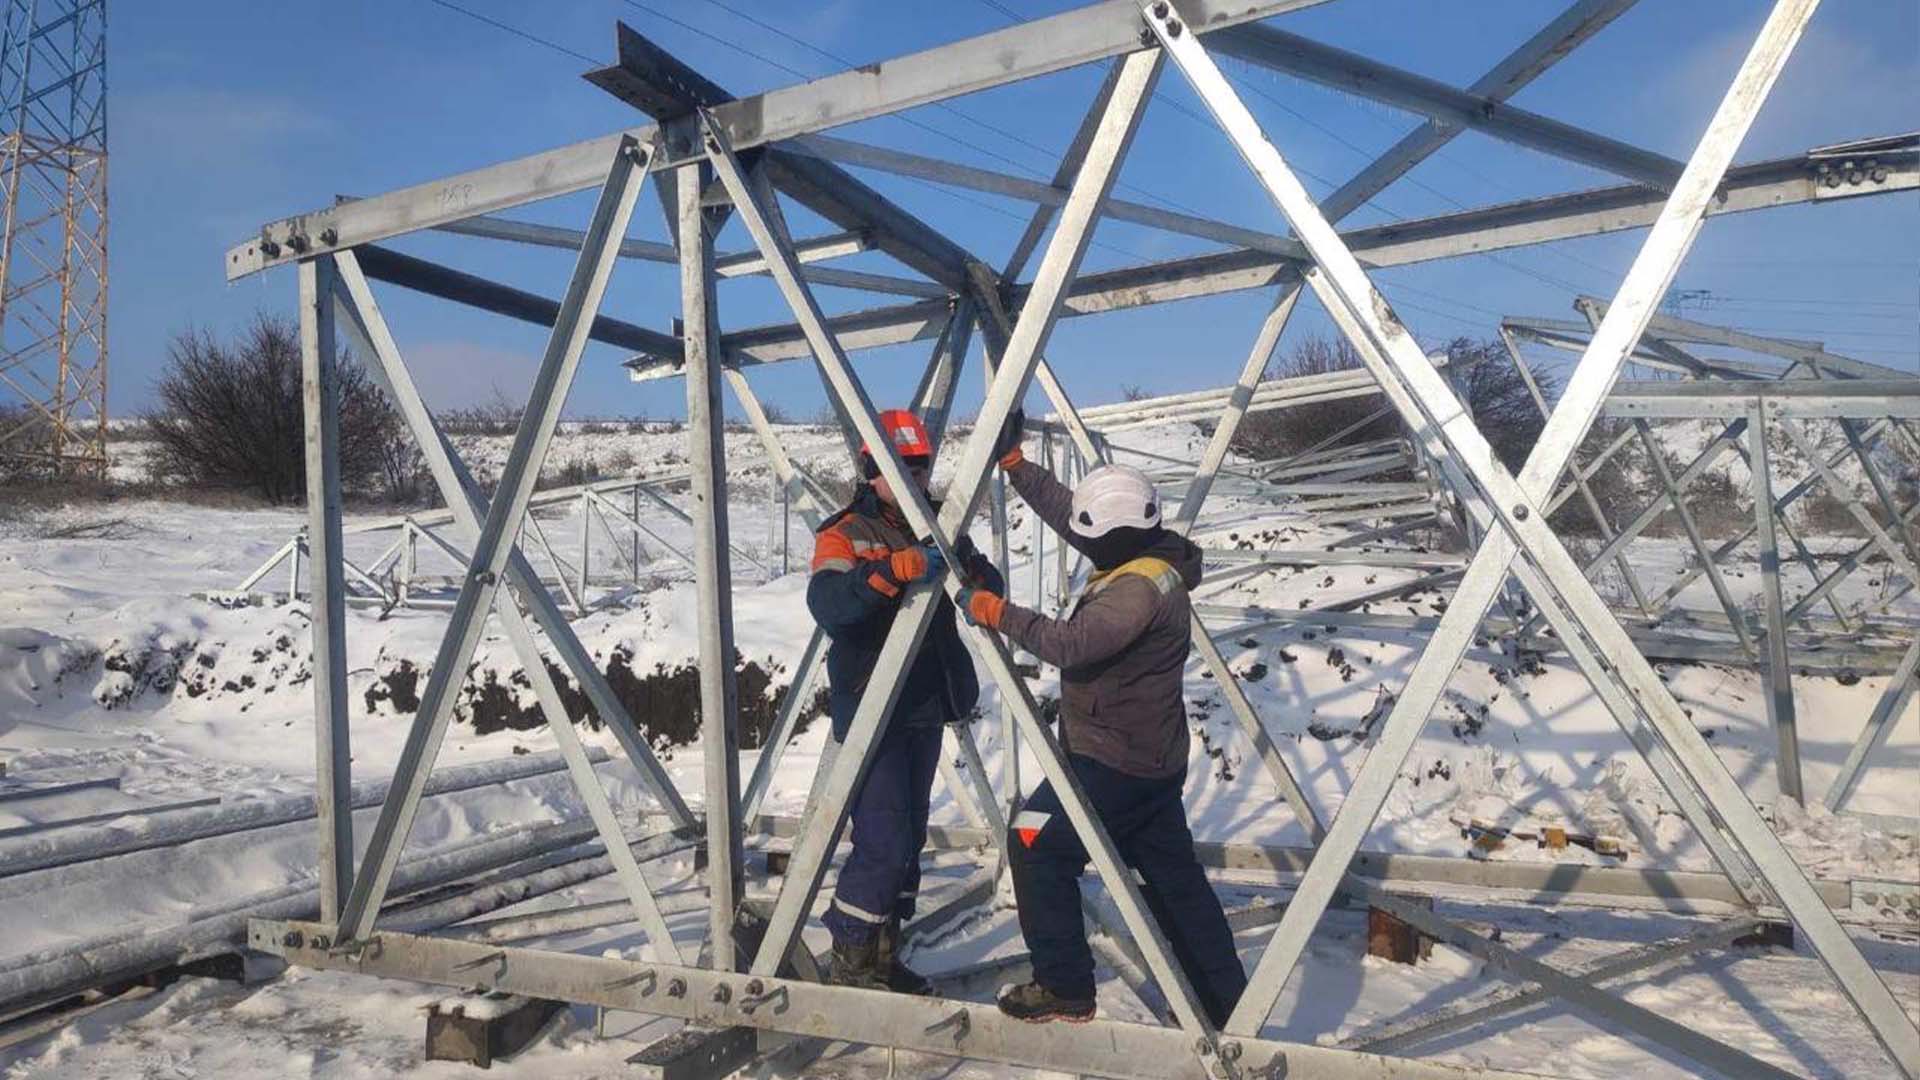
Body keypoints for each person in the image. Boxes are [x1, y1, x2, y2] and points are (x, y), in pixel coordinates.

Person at [957, 410, 1246, 1026]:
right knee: (1175, 881)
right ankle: (1225, 1003)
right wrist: (1018, 468)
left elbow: (1070, 645)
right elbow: (1079, 518)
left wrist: (995, 610)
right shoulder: (1148, 552)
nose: (1082, 539)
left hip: (1114, 762)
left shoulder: (1135, 592)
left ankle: (1064, 986)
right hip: (1149, 759)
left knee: (1033, 840)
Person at [807, 408, 1005, 994]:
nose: (915, 479)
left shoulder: (942, 525)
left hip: (924, 699)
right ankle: (852, 955)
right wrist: (892, 571)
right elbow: (831, 606)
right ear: (872, 471)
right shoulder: (844, 532)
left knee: (909, 835)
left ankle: (883, 956)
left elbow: (984, 580)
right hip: (875, 705)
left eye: (920, 467)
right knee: (885, 837)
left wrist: (975, 575)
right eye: (902, 468)